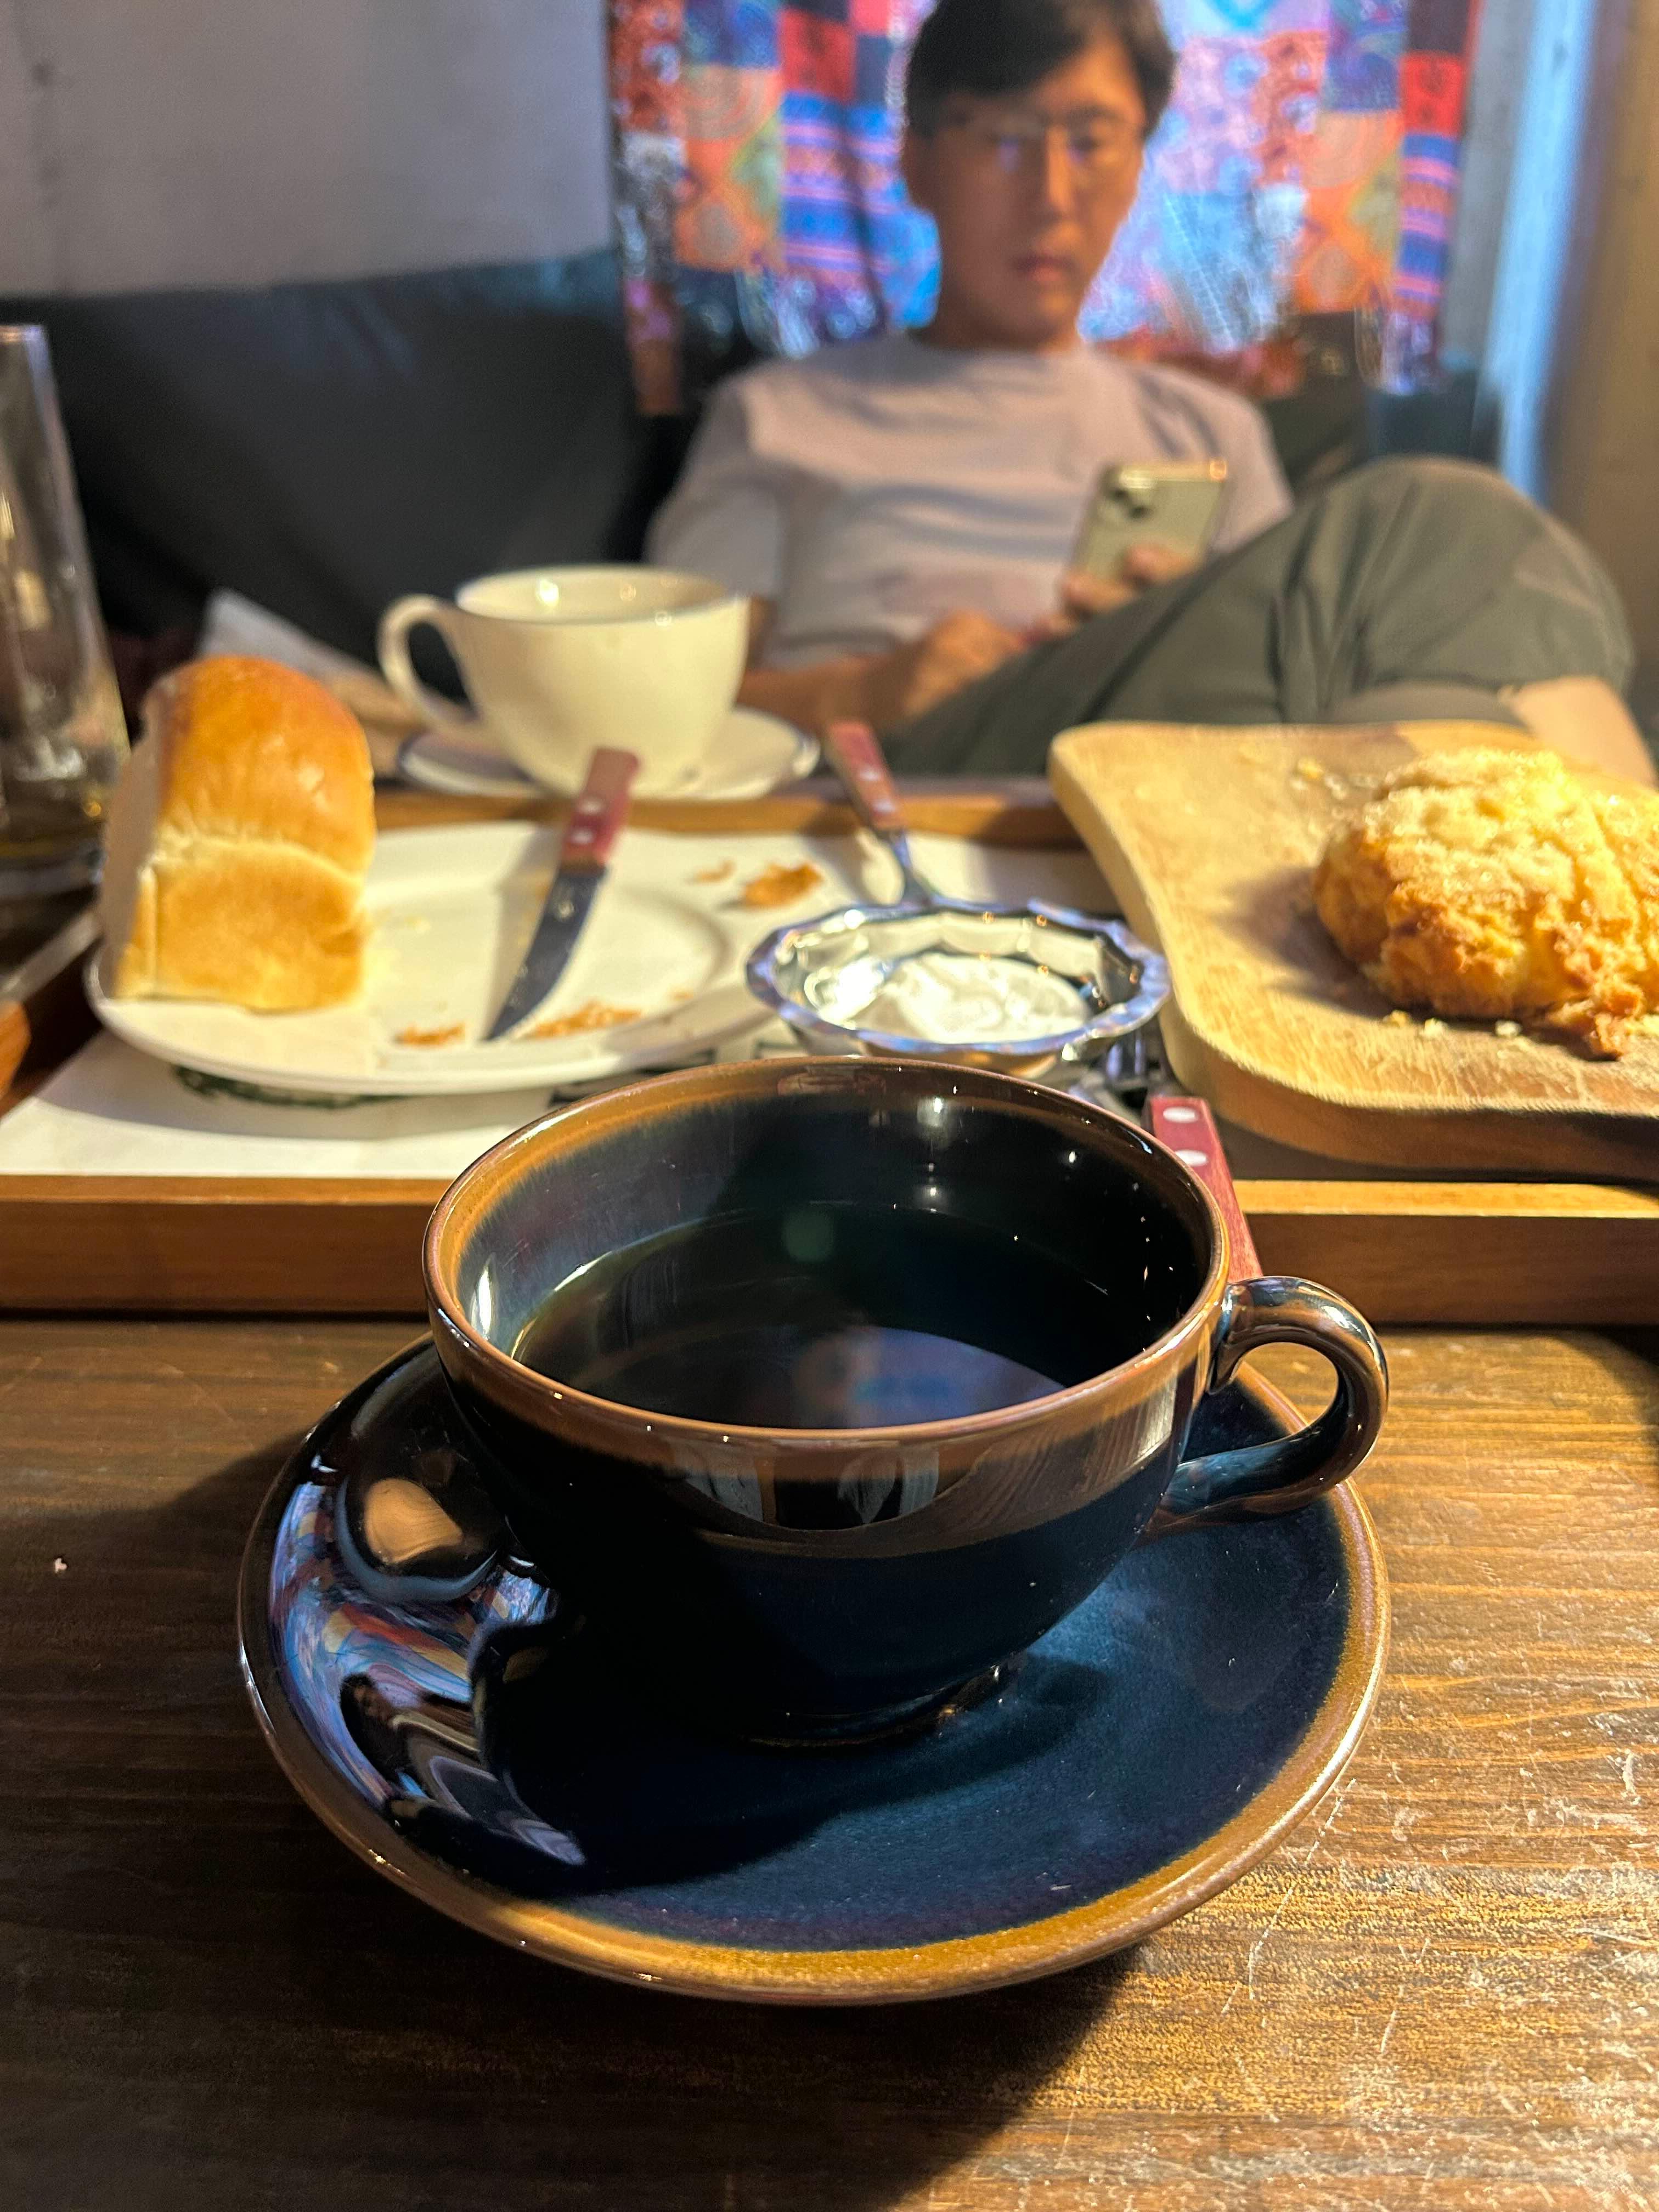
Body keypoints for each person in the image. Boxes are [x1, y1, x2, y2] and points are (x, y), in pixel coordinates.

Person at [648, 0, 1646, 781]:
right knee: (1443, 524)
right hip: (931, 768)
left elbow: (1304, 670)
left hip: (1176, 779)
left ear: (1137, 169)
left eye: (1092, 140)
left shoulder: (1209, 426)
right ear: (917, 163)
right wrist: (865, 691)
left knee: (1444, 709)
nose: (1051, 194)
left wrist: (1177, 619)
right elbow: (657, 705)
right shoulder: (778, 415)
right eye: (1004, 136)